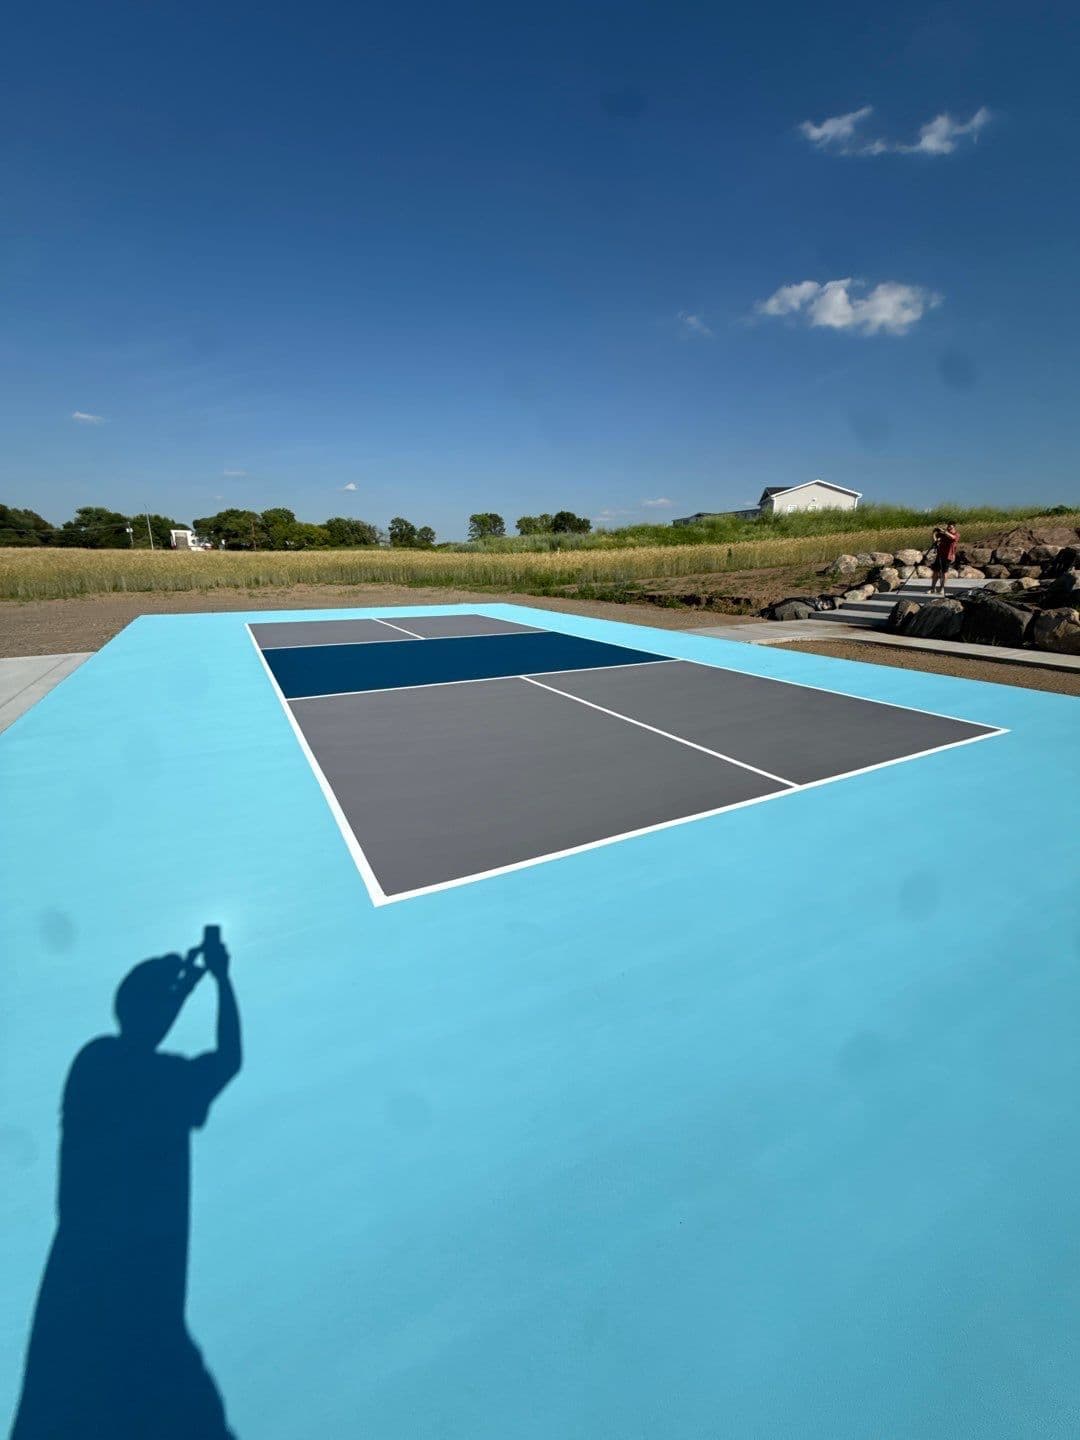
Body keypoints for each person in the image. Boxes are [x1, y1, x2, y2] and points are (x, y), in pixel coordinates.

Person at [11, 928, 241, 1440]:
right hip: (125, 1299)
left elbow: (207, 1054)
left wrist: (190, 985)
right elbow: (227, 1060)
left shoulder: (104, 1066)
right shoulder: (127, 1069)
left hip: (111, 1296)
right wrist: (219, 982)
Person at [930, 520, 959, 595]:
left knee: (944, 572)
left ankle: (942, 589)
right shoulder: (943, 535)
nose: (948, 528)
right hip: (940, 554)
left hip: (948, 555)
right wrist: (934, 532)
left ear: (954, 527)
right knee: (935, 571)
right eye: (948, 526)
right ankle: (933, 588)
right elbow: (935, 540)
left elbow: (953, 538)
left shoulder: (956, 534)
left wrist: (944, 532)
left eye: (950, 527)